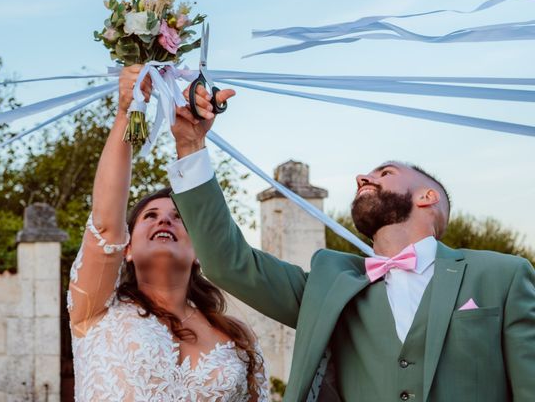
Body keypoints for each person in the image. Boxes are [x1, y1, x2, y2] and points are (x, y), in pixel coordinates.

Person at [168, 85, 535, 402]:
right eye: (367, 174)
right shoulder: (329, 287)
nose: (363, 177)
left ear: (427, 197)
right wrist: (191, 146)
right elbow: (228, 262)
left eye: (385, 173)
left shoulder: (503, 276)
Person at [67, 66, 268, 402]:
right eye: (150, 215)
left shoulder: (235, 336)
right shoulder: (98, 307)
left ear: (198, 250)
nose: (165, 221)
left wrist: (193, 143)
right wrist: (126, 112)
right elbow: (105, 224)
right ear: (127, 248)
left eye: (179, 217)